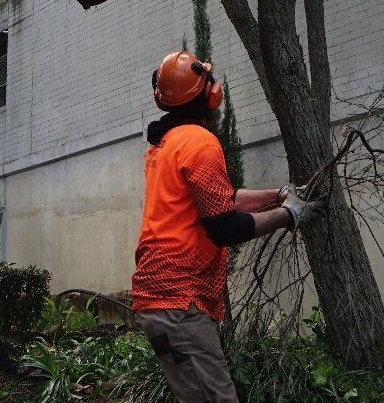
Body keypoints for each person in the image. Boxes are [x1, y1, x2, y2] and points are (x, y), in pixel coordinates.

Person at [132, 50, 325, 403]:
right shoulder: (201, 143)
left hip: (160, 303)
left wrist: (278, 195)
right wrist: (290, 216)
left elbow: (219, 201)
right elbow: (225, 227)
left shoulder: (166, 144)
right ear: (207, 94)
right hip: (181, 304)